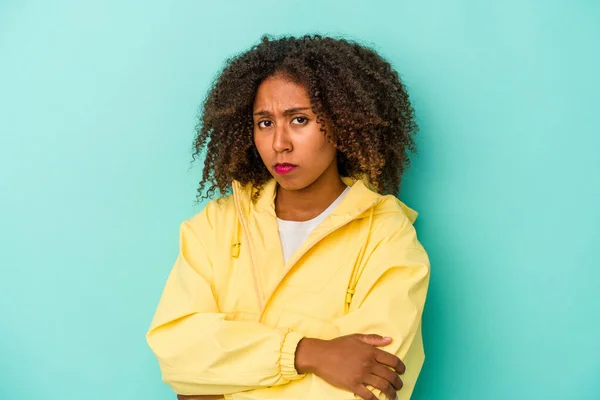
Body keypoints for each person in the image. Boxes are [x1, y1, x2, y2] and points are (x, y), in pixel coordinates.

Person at [146, 34, 430, 400]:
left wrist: (221, 381)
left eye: (299, 119)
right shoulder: (216, 225)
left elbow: (373, 384)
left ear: (342, 124)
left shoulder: (388, 237)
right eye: (265, 123)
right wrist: (307, 353)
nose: (280, 142)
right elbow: (178, 356)